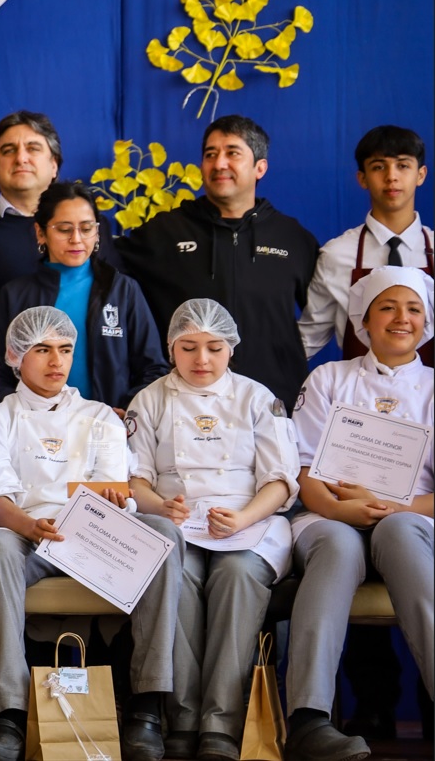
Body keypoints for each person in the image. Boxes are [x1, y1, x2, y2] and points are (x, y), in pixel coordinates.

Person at [0, 306, 182, 761]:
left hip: (92, 536)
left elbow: (116, 489)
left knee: (162, 533)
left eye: (65, 349)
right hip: (27, 535)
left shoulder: (100, 416)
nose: (56, 361)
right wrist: (30, 525)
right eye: (42, 349)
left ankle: (146, 706)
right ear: (14, 356)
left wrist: (112, 502)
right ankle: (9, 712)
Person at [124, 299, 299, 761]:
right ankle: (182, 718)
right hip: (177, 522)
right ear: (171, 348)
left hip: (248, 520)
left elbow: (281, 480)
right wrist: (161, 505)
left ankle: (220, 721)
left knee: (237, 577)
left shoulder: (258, 398)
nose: (202, 359)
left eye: (214, 347)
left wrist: (244, 517)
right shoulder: (151, 399)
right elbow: (134, 478)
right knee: (176, 581)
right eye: (189, 347)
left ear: (231, 349)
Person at [283, 266, 433, 761]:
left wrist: (396, 507)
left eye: (413, 308)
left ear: (427, 321)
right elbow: (303, 472)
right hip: (327, 515)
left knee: (402, 529)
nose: (401, 318)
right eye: (387, 307)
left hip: (413, 519)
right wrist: (340, 509)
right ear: (363, 321)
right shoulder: (328, 378)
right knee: (338, 545)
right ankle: (308, 720)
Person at [117, 115, 319, 410]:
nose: (219, 163)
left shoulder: (293, 238)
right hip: (182, 406)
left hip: (274, 404)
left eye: (232, 153)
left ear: (260, 167)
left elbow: (324, 315)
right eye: (210, 154)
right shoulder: (164, 233)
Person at [0, 182, 166, 408]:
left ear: (98, 232)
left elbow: (153, 369)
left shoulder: (122, 290)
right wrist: (23, 415)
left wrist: (127, 411)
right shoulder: (15, 295)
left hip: (110, 428)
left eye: (87, 228)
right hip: (33, 431)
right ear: (40, 233)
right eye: (64, 229)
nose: (77, 239)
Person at [0, 111, 119, 313]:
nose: (21, 158)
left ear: (54, 165)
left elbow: (115, 303)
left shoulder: (93, 228)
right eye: (8, 150)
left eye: (33, 149)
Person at [299, 125, 430, 363]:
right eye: (379, 167)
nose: (391, 176)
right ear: (362, 178)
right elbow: (307, 339)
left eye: (403, 165)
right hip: (357, 396)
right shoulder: (336, 255)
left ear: (420, 175)